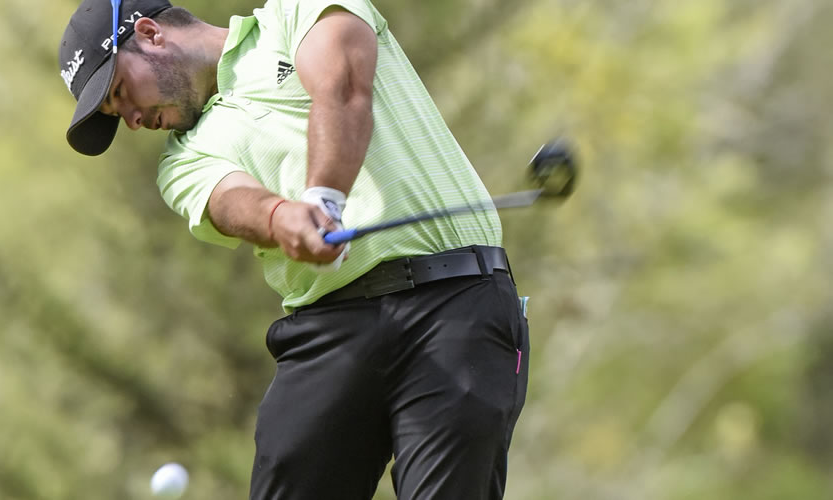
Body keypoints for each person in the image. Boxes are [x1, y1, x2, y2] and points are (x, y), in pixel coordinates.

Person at [58, 0, 530, 498]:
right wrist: (280, 217)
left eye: (120, 92)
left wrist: (323, 199)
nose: (131, 120)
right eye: (116, 114)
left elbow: (343, 88)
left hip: (456, 303)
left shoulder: (296, 12)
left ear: (151, 34)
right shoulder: (181, 160)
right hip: (328, 332)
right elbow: (229, 200)